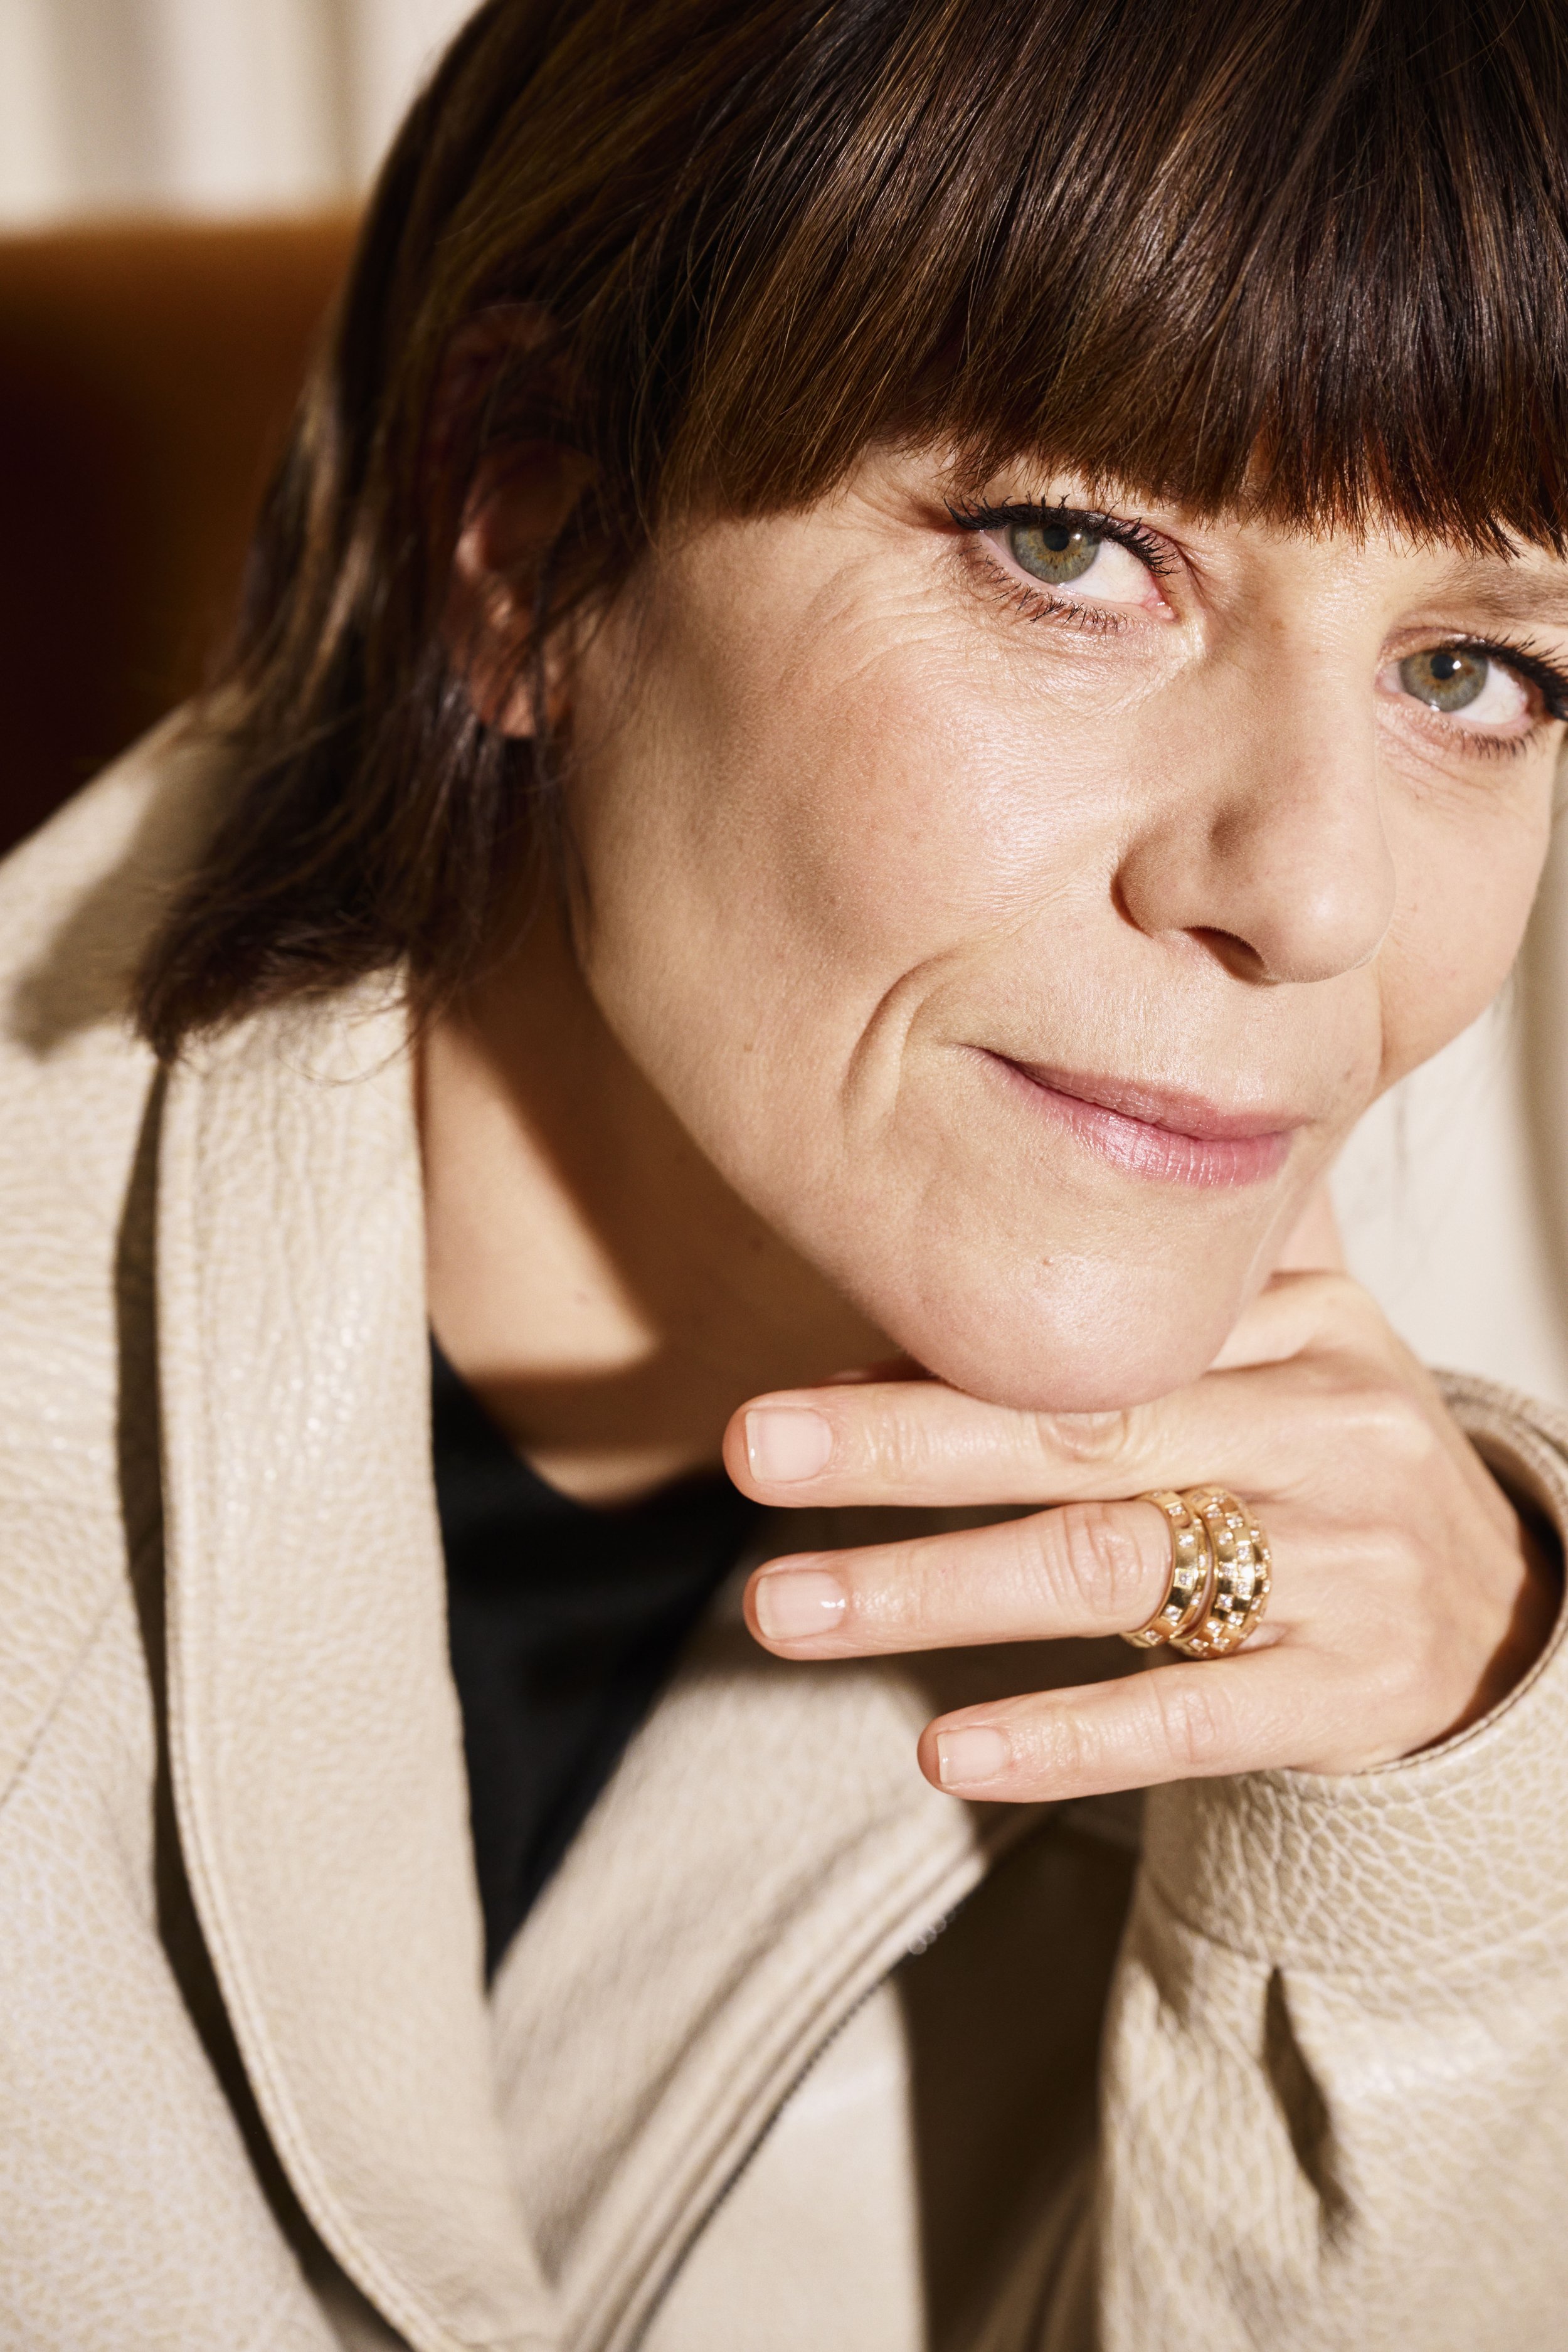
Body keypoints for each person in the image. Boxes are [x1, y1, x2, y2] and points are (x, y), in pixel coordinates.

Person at [5, 0, 1568, 2343]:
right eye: (1072, 548)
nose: (1317, 897)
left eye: (1473, 673)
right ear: (524, 536)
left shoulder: (1391, 1500)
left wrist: (1448, 1839)